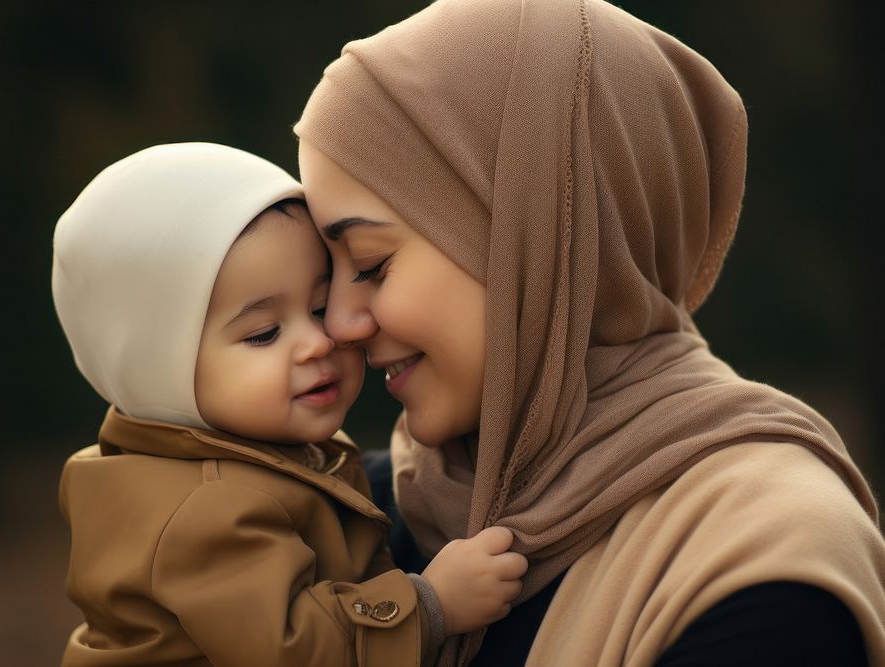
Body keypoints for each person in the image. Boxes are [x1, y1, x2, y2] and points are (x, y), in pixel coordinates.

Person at [294, 0, 885, 664]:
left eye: (371, 263)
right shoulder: (334, 521)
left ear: (539, 240)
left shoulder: (762, 561)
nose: (338, 323)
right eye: (325, 274)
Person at [51, 142, 528, 667]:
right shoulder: (205, 508)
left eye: (321, 307)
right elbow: (294, 651)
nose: (318, 342)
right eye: (264, 333)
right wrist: (431, 606)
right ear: (158, 369)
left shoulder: (275, 456)